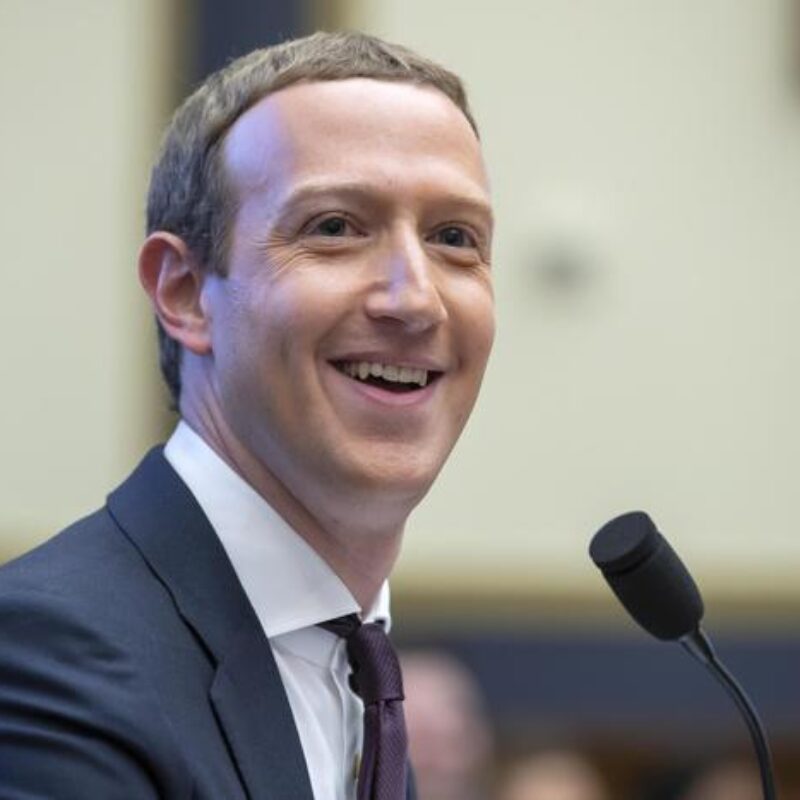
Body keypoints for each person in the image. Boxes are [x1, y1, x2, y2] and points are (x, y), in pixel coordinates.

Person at [0, 31, 495, 800]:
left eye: (455, 239)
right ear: (185, 292)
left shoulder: (361, 676)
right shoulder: (44, 656)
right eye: (335, 227)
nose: (416, 298)